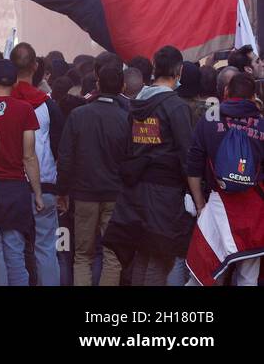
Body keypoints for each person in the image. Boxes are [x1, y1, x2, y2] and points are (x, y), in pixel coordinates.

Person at [103, 46, 195, 285]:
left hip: (136, 191)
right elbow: (188, 157)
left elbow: (127, 148)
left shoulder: (136, 105)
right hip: (164, 194)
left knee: (143, 253)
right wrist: (198, 197)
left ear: (155, 69)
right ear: (179, 70)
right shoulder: (176, 107)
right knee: (160, 257)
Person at [56, 62, 127, 286]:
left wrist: (62, 191)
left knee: (82, 255)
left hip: (84, 194)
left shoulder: (78, 115)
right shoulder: (128, 118)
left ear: (98, 84)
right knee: (112, 255)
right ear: (122, 86)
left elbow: (65, 158)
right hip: (115, 195)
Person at [0, 60, 40, 287]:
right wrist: (38, 193)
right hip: (15, 190)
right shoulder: (25, 110)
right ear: (15, 82)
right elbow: (29, 156)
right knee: (15, 255)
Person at [10, 42, 62, 286]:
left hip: (10, 185)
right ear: (35, 66)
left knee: (12, 248)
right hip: (46, 182)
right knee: (46, 248)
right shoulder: (49, 105)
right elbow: (59, 148)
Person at [187, 71, 264, 211]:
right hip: (255, 206)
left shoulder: (209, 119)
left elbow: (193, 165)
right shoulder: (262, 124)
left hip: (218, 205)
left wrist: (200, 205)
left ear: (226, 91)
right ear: (253, 97)